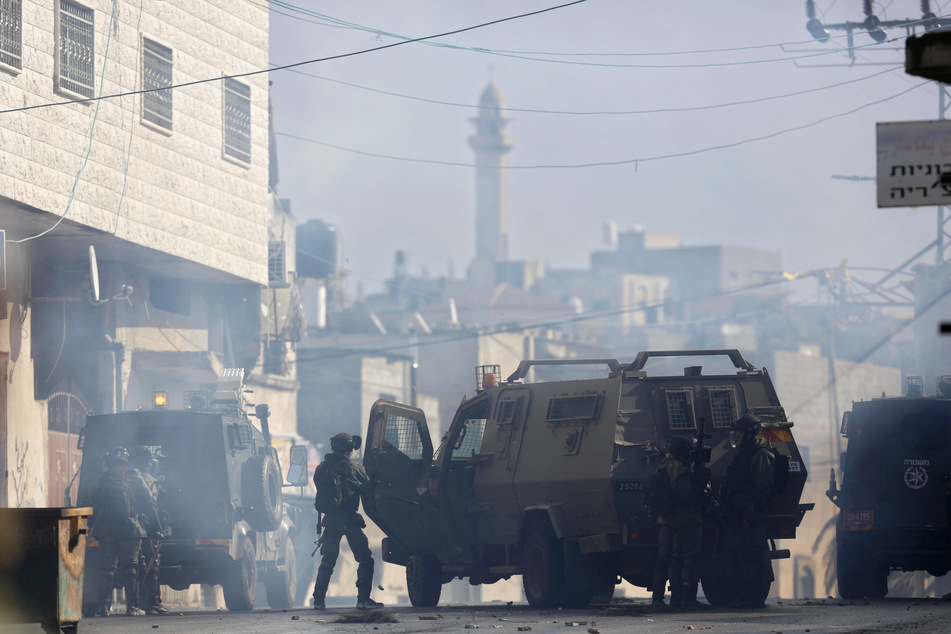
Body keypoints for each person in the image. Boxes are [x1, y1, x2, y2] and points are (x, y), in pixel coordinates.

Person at [311, 432, 382, 610]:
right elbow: (367, 486)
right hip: (350, 521)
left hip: (331, 522)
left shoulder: (321, 469)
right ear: (348, 450)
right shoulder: (354, 468)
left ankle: (318, 601)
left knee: (327, 561)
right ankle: (363, 600)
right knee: (365, 558)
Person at [719, 413, 776, 609]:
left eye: (740, 434)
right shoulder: (744, 454)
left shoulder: (761, 455)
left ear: (750, 434)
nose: (738, 437)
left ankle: (755, 596)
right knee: (738, 556)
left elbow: (763, 488)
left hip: (750, 516)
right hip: (738, 515)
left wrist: (751, 515)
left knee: (754, 557)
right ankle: (743, 595)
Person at [649, 436, 711, 612]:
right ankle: (685, 599)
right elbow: (687, 495)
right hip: (686, 521)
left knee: (668, 559)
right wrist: (701, 481)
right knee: (689, 559)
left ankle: (665, 599)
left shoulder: (663, 469)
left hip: (667, 521)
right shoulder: (681, 471)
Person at [90, 446, 147, 616]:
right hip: (129, 530)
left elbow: (93, 503)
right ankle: (133, 608)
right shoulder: (133, 479)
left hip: (106, 529)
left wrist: (92, 525)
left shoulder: (100, 480)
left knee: (106, 569)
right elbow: (147, 497)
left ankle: (104, 608)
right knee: (130, 568)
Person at [130, 446, 167, 615]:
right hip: (146, 526)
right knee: (152, 565)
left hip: (134, 527)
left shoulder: (128, 476)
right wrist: (158, 526)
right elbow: (150, 504)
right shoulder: (144, 478)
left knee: (138, 566)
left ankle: (141, 603)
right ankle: (152, 603)